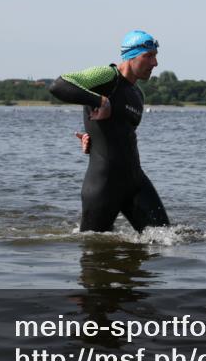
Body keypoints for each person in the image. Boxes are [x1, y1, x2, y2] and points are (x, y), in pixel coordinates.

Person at [49, 30, 169, 232]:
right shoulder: (108, 77)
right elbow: (59, 85)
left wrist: (92, 137)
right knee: (93, 250)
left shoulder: (137, 93)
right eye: (148, 56)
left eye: (155, 56)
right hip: (104, 185)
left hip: (135, 181)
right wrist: (100, 101)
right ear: (131, 56)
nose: (154, 63)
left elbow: (119, 132)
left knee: (166, 239)